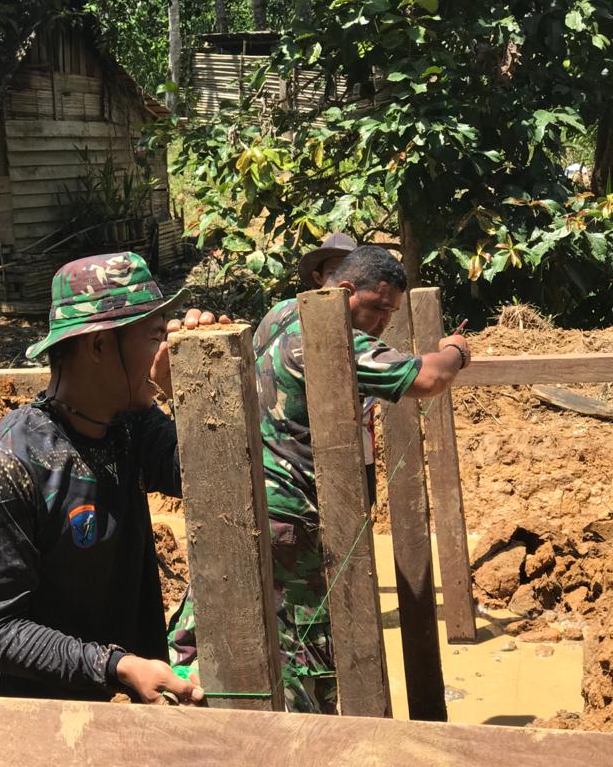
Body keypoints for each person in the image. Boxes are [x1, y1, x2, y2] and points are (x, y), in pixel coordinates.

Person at [169, 238, 471, 714]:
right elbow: (429, 378)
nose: (383, 323)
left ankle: (193, 705)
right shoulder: (331, 336)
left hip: (247, 498)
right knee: (301, 646)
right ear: (346, 290)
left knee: (222, 616)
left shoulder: (280, 312)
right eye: (378, 309)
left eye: (391, 314)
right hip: (293, 514)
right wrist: (455, 351)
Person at [0, 251, 225, 705]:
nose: (166, 352)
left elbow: (210, 481)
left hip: (124, 706)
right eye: (155, 337)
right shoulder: (1, 467)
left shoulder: (129, 426)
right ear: (98, 346)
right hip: (36, 724)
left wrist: (201, 386)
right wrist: (116, 666)